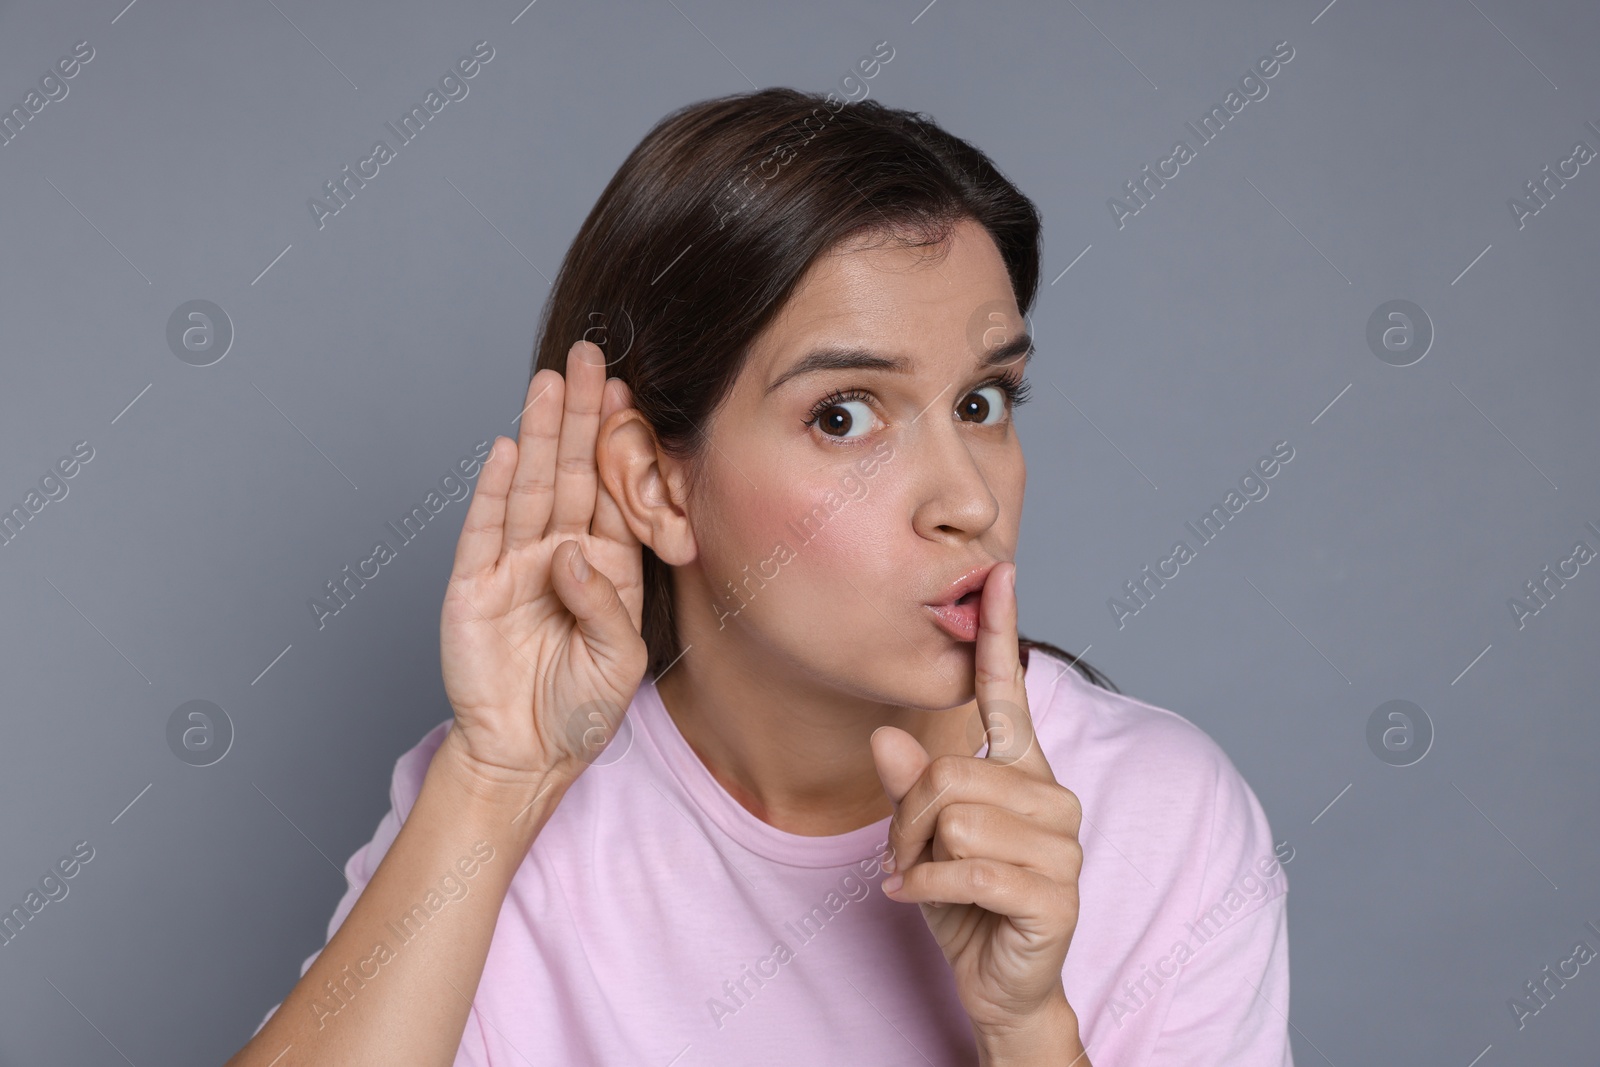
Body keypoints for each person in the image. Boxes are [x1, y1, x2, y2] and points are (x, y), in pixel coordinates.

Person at [227, 86, 1292, 1066]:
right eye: (844, 415)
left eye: (983, 402)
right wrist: (494, 787)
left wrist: (1026, 1025)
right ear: (655, 485)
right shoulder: (505, 811)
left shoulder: (1158, 817)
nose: (967, 498)